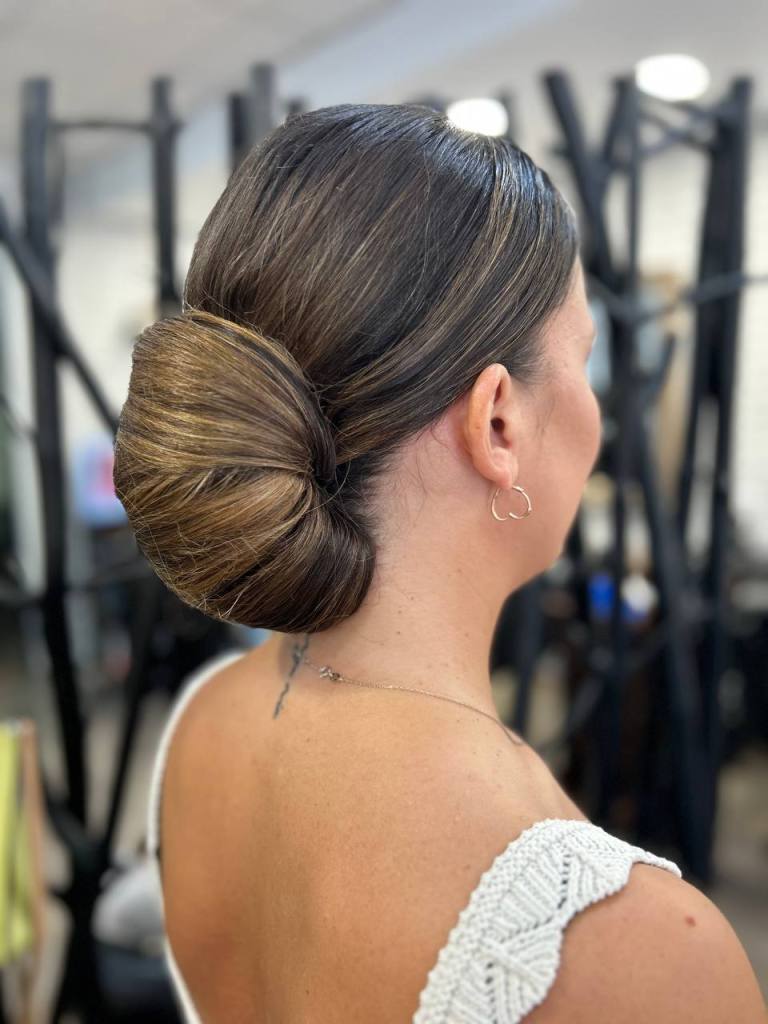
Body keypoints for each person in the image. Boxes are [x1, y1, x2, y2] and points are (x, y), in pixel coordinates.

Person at [113, 103, 766, 1022]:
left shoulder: (202, 725)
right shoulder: (636, 953)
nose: (597, 413)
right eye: (583, 359)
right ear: (497, 422)